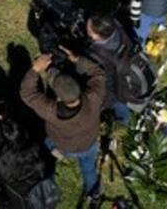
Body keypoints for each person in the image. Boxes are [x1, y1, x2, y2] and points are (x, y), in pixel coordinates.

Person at [20, 50, 105, 204]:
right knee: (88, 168)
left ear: (58, 97)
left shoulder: (50, 111)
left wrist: (35, 69)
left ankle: (47, 184)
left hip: (62, 146)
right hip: (88, 144)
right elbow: (98, 73)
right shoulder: (93, 98)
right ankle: (93, 193)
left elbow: (27, 93)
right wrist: (78, 59)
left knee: (46, 155)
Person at [86, 13, 156, 125]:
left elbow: (108, 82)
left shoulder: (99, 55)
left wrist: (106, 102)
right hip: (134, 71)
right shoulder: (117, 26)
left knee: (118, 104)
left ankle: (124, 121)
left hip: (120, 90)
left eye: (89, 29)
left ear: (96, 36)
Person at [0, 117, 52, 209]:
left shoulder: (4, 160)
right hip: (39, 187)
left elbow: (7, 179)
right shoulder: (35, 148)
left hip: (24, 194)